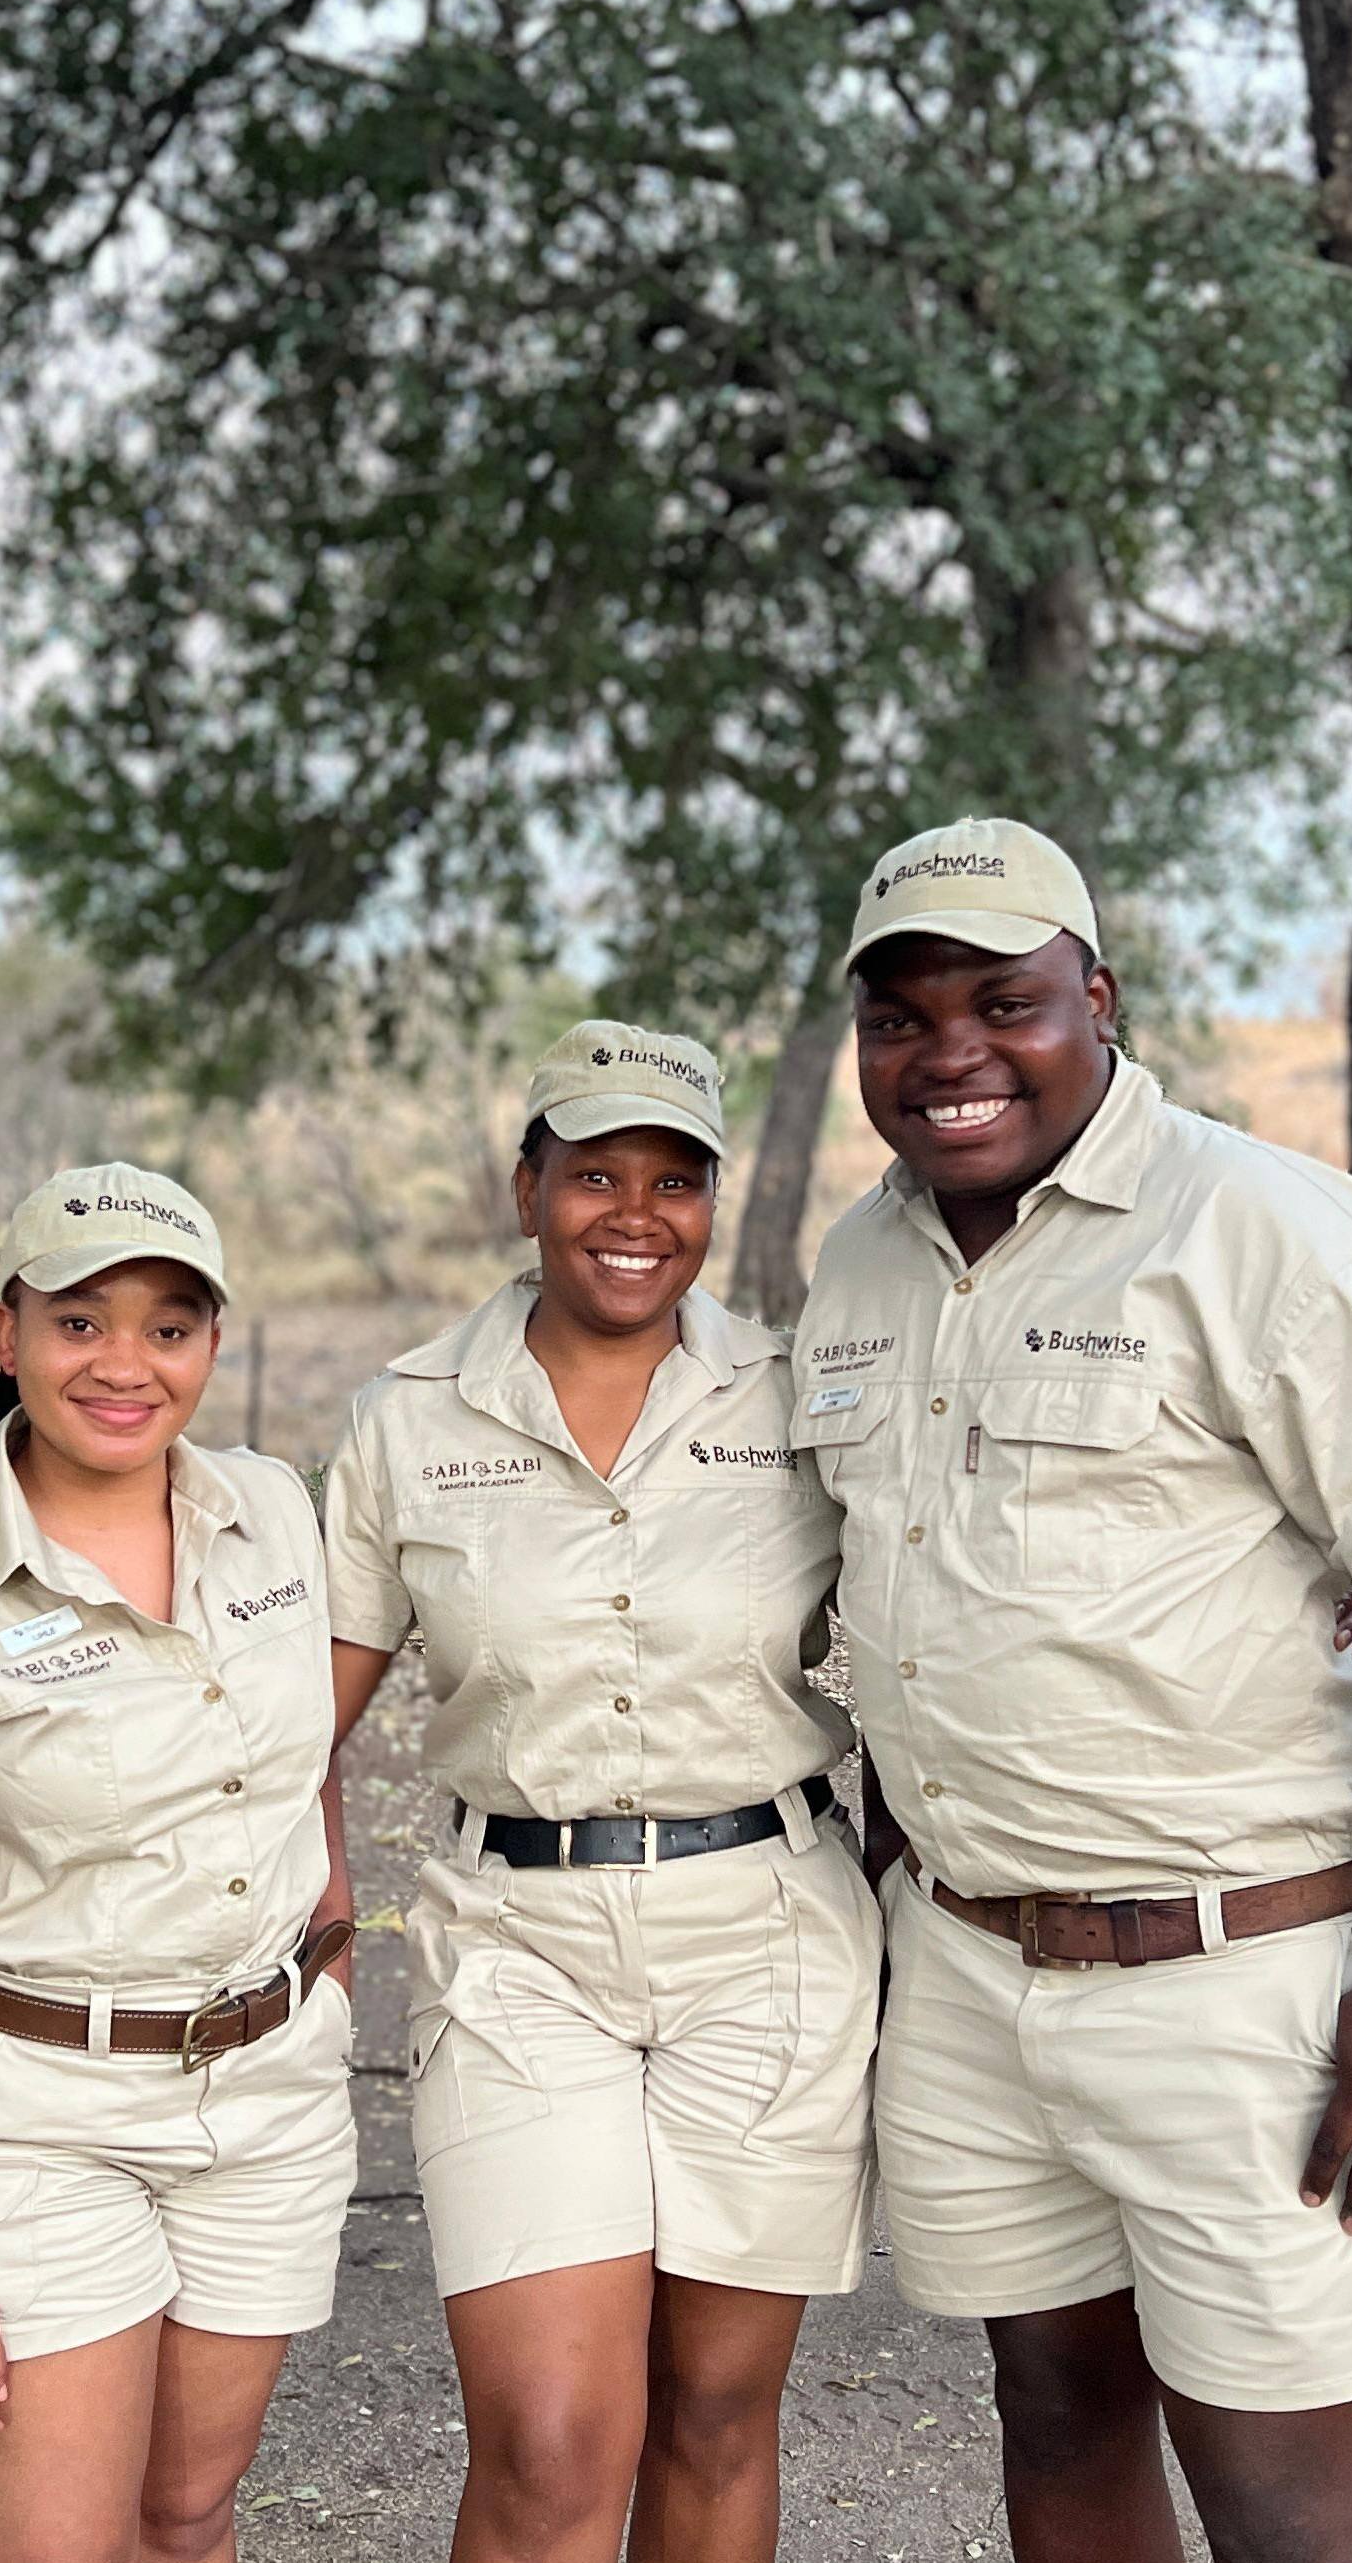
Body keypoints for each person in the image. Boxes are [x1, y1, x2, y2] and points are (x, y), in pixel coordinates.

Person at [793, 817, 1352, 2563]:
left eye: (1003, 1001)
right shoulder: (862, 1260)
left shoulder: (1267, 1229)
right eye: (899, 1019)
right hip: (971, 1970)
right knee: (1052, 2416)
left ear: (1098, 999)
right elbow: (902, 1585)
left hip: (1236, 1987)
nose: (949, 1053)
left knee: (1274, 2497)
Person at [320, 1021, 876, 2563]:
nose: (635, 1213)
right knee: (551, 2445)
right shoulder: (405, 1418)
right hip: (518, 1952)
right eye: (594, 1174)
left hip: (762, 1939)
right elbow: (300, 1715)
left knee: (711, 2412)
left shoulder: (798, 1398)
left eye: (675, 1180)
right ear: (526, 1189)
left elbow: (953, 1603)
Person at [0, 1164, 355, 2563]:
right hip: (44, 2117)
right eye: (81, 1322)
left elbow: (303, 1748)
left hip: (270, 2105)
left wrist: (327, 1940)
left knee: (186, 2518)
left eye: (170, 1326)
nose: (126, 1365)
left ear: (212, 1344)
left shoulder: (272, 1514)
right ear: (5, 1337)